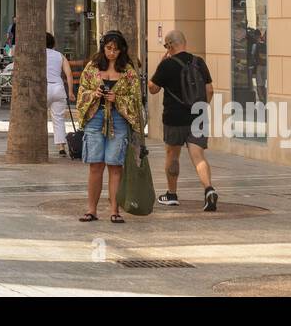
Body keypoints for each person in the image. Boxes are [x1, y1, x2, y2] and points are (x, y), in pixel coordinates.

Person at [74, 30, 143, 224]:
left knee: (115, 165)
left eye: (116, 49)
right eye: (108, 48)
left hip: (118, 120)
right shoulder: (92, 67)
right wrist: (94, 94)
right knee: (95, 165)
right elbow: (82, 93)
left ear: (122, 51)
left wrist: (118, 99)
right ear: (103, 48)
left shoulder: (128, 71)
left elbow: (136, 100)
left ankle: (114, 210)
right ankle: (91, 210)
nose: (112, 52)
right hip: (95, 119)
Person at [149, 29, 219, 210]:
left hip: (174, 118)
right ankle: (208, 189)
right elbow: (209, 90)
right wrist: (201, 108)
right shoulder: (198, 62)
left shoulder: (167, 65)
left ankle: (171, 194)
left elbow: (153, 88)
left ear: (170, 45)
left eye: (166, 45)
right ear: (184, 43)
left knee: (172, 155)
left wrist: (161, 65)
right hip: (198, 117)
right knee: (198, 156)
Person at [43, 33, 73, 156]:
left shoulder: (37, 54)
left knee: (39, 118)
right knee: (59, 119)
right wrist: (70, 92)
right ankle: (61, 147)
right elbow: (69, 74)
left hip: (43, 88)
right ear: (53, 43)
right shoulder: (60, 56)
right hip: (58, 88)